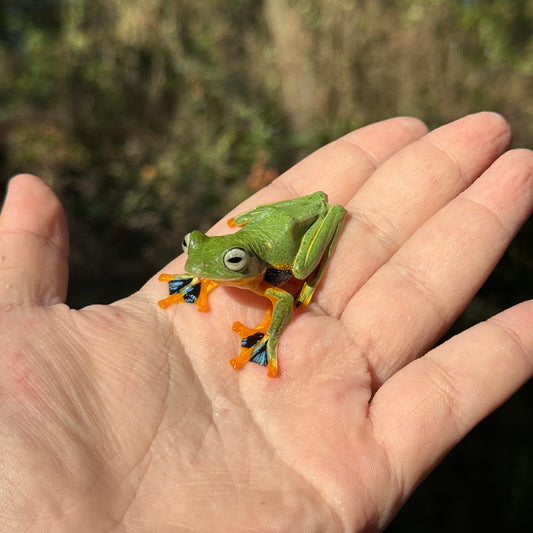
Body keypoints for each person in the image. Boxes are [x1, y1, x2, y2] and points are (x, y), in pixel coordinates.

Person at [0, 112, 531, 531]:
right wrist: (209, 263)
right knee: (218, 259)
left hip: (287, 239)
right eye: (191, 246)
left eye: (228, 266)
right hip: (260, 227)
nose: (196, 259)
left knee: (297, 275)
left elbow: (283, 301)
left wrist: (270, 336)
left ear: (246, 268)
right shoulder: (213, 256)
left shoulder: (259, 275)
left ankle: (277, 254)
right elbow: (211, 254)